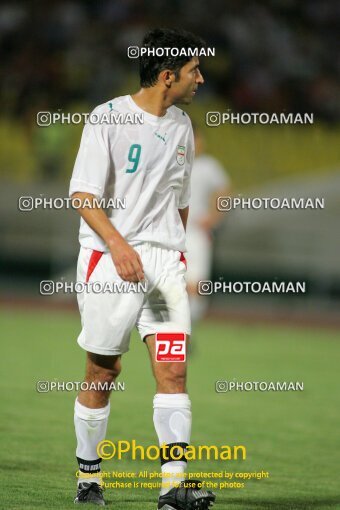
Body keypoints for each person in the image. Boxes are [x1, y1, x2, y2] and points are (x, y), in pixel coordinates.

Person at [69, 28, 215, 509]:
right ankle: (89, 478)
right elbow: (83, 197)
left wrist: (175, 255)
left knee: (173, 372)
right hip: (111, 258)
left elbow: (181, 202)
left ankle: (173, 488)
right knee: (102, 370)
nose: (201, 78)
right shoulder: (106, 118)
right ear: (168, 76)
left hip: (163, 264)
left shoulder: (182, 127)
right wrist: (118, 246)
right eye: (194, 70)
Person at [186, 125, 231, 322]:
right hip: (172, 230)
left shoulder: (209, 165)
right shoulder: (172, 163)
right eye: (195, 139)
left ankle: (190, 326)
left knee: (198, 282)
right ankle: (177, 324)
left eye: (199, 139)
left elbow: (225, 191)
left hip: (196, 231)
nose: (199, 143)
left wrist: (213, 218)